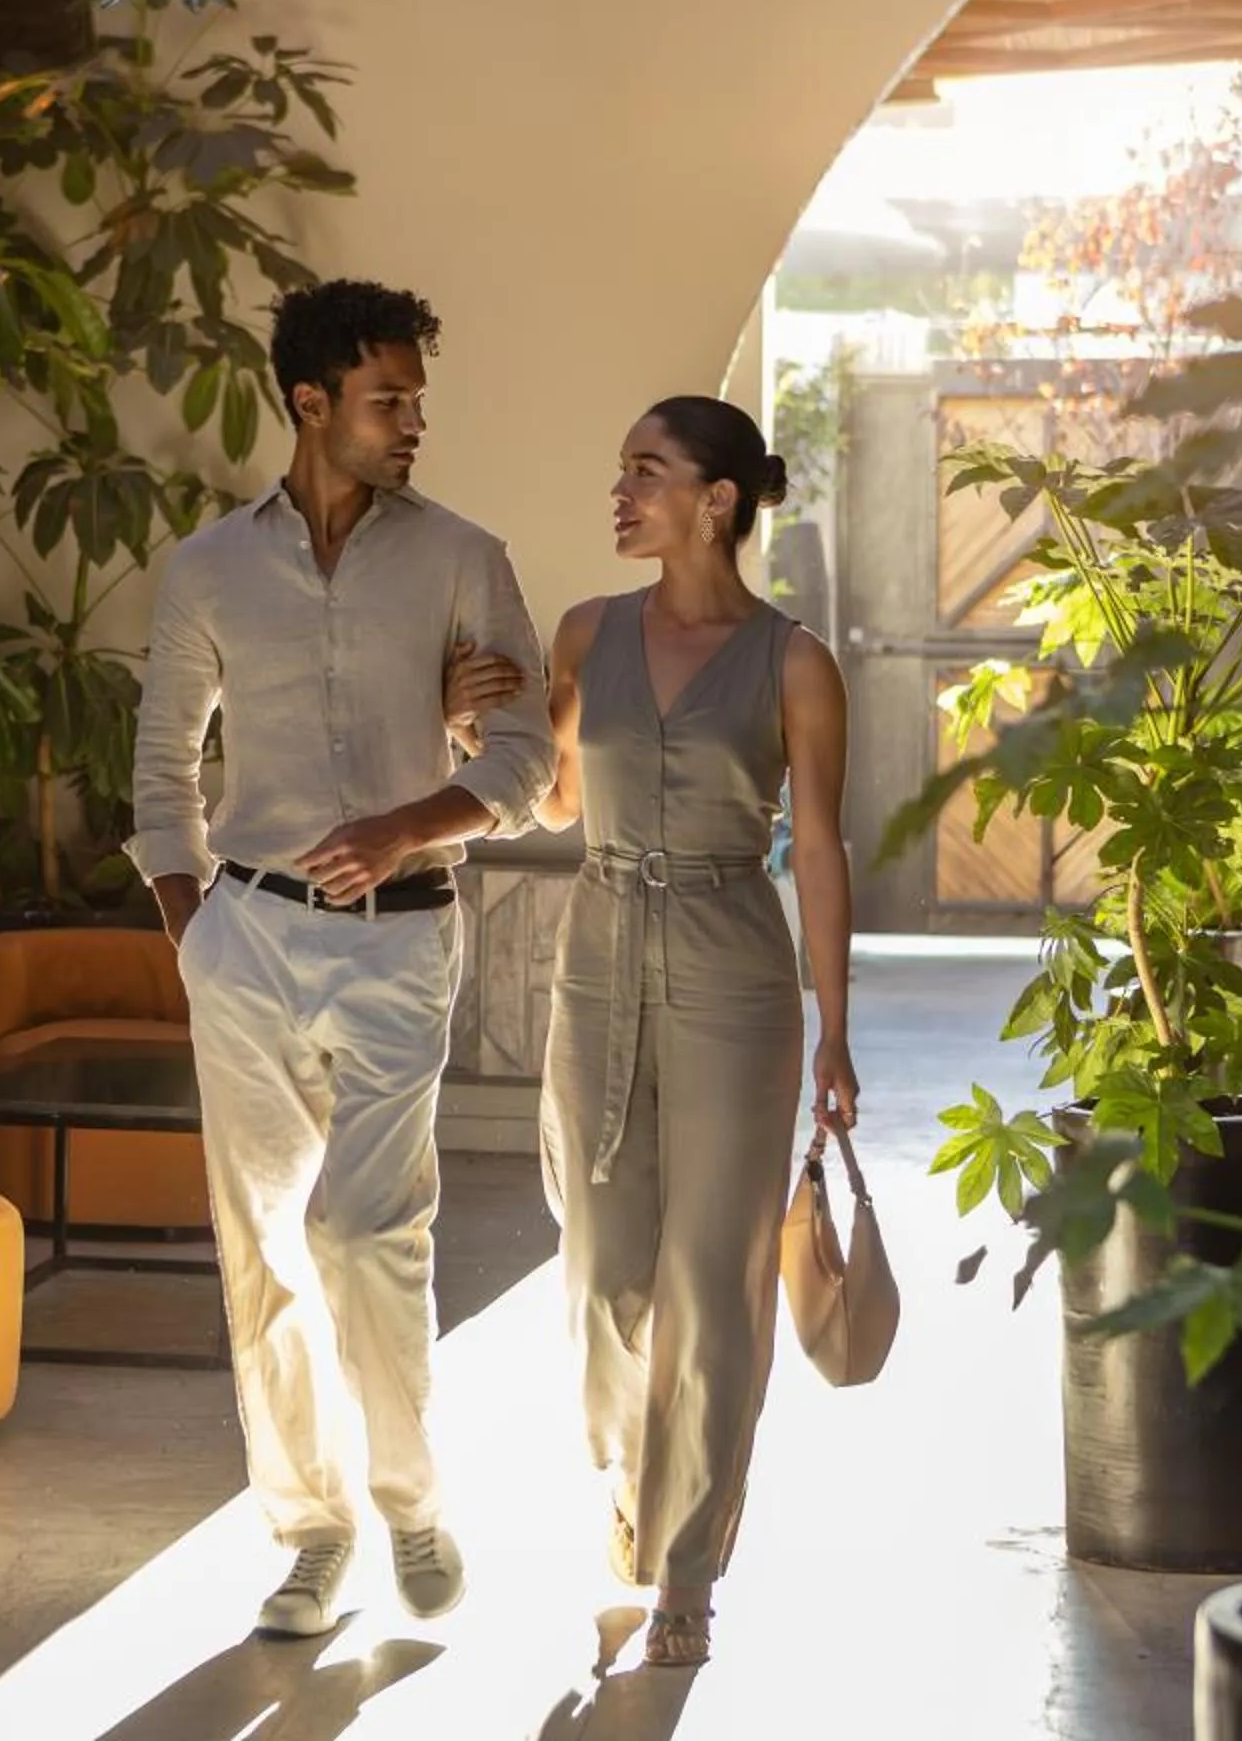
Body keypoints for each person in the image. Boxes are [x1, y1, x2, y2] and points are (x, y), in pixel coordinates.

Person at [127, 279, 558, 1639]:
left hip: (403, 936)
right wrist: (191, 925)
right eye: (390, 399)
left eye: (416, 397)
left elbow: (527, 756)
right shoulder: (206, 569)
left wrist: (405, 826)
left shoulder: (464, 557)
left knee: (370, 1231)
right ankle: (311, 1537)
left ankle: (412, 1499)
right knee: (262, 1249)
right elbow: (160, 763)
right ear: (311, 403)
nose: (414, 420)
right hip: (243, 941)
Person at [450, 394, 856, 1667]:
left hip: (737, 971)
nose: (619, 493)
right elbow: (555, 795)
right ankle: (635, 1473)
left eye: (646, 471)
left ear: (717, 501)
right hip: (600, 955)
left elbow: (828, 847)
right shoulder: (586, 633)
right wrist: (474, 729)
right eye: (620, 470)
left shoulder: (795, 660)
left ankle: (687, 1564)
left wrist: (835, 1027)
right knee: (607, 1266)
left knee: (712, 1280)